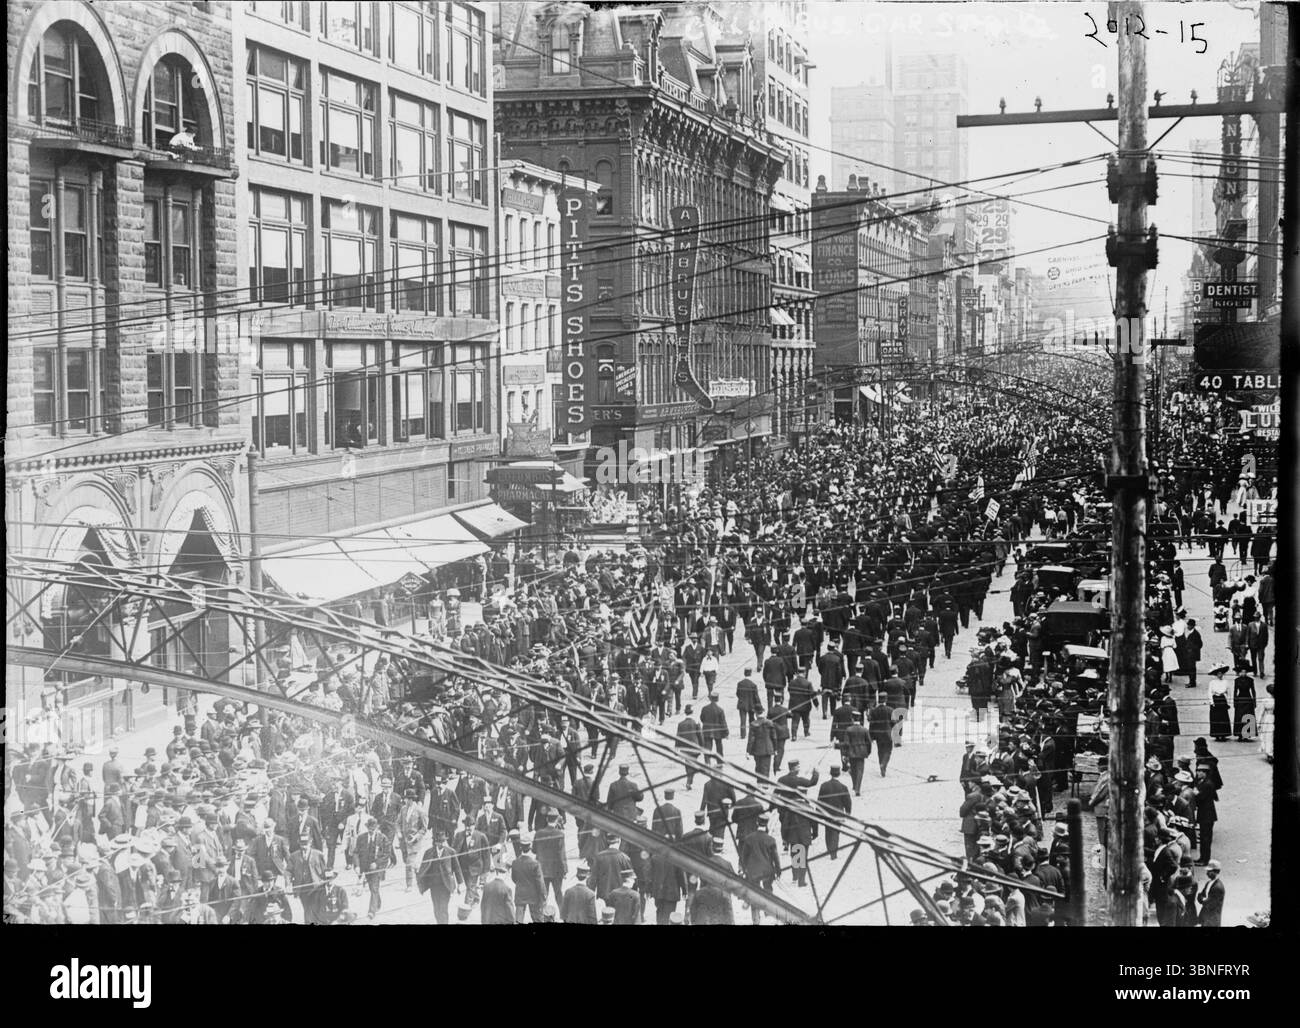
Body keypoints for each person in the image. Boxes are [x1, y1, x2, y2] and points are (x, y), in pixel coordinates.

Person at [416, 830, 462, 925]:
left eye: (443, 841)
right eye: (439, 841)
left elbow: (457, 869)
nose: (441, 843)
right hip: (434, 886)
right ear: (435, 842)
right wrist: (420, 880)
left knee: (443, 908)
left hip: (446, 886)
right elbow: (423, 868)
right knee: (436, 908)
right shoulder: (429, 852)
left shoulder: (451, 852)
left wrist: (460, 884)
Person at [354, 816, 393, 919]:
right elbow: (356, 853)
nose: (371, 831)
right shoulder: (361, 837)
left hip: (377, 868)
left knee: (374, 887)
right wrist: (357, 866)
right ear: (367, 828)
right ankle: (377, 903)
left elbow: (386, 854)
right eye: (369, 829)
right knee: (372, 888)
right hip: (364, 868)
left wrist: (377, 863)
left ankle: (372, 911)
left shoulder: (383, 838)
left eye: (373, 829)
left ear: (377, 828)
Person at [817, 767, 852, 859]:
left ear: (830, 773)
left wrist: (818, 812)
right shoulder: (843, 787)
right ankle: (834, 851)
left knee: (828, 831)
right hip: (838, 815)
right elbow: (847, 802)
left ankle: (830, 849)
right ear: (839, 774)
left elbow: (820, 800)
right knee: (836, 832)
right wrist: (847, 813)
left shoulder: (824, 786)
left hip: (827, 814)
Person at [699, 692, 729, 766]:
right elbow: (723, 723)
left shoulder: (704, 708)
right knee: (719, 747)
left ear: (710, 699)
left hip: (707, 730)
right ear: (717, 699)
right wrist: (726, 733)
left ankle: (707, 762)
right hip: (718, 732)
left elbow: (702, 718)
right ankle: (720, 762)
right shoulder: (720, 710)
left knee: (707, 747)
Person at [1196, 860, 1225, 927]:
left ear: (1216, 872)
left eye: (1209, 871)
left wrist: (1203, 900)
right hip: (1206, 916)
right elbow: (1200, 896)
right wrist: (1203, 899)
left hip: (1212, 920)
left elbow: (1210, 903)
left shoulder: (1218, 887)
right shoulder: (1209, 883)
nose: (1207, 873)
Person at [1207, 665, 1232, 741]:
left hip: (1222, 699)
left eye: (1221, 674)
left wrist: (1228, 702)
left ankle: (1224, 734)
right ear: (1216, 675)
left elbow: (1229, 693)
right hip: (1215, 699)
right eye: (1218, 674)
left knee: (1223, 717)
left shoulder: (1226, 682)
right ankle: (1217, 735)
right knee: (1215, 718)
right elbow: (1209, 693)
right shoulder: (1212, 682)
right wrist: (1212, 702)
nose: (1220, 675)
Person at [1232, 665, 1256, 741]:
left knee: (1248, 717)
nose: (1243, 673)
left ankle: (1247, 734)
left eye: (1245, 672)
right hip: (1240, 699)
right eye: (1242, 672)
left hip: (1248, 699)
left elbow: (1253, 691)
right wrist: (1235, 701)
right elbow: (1235, 691)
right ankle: (1239, 734)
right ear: (1239, 673)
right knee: (1239, 717)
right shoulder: (1237, 680)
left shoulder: (1250, 680)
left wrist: (1254, 702)